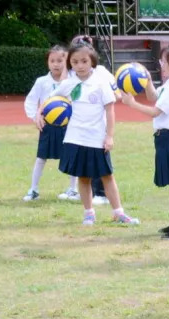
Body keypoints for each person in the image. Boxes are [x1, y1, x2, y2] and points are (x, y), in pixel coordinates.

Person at [120, 42, 169, 239]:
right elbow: (155, 97)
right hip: (167, 139)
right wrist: (147, 82)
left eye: (164, 61)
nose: (161, 64)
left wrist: (132, 104)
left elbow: (155, 111)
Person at [57, 40, 139, 226]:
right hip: (75, 137)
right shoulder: (69, 83)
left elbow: (110, 111)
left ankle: (118, 212)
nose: (80, 66)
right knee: (83, 176)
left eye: (84, 61)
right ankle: (88, 213)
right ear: (70, 63)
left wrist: (109, 136)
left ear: (92, 60)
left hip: (96, 138)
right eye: (75, 62)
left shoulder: (101, 82)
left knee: (107, 175)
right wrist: (41, 113)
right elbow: (52, 103)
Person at [22, 45, 75, 201]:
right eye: (52, 60)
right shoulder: (42, 81)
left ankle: (73, 189)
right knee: (41, 158)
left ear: (67, 62)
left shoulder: (72, 81)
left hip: (68, 125)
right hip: (47, 126)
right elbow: (30, 101)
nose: (56, 64)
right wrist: (35, 117)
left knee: (72, 156)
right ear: (48, 62)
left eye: (60, 60)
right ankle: (33, 190)